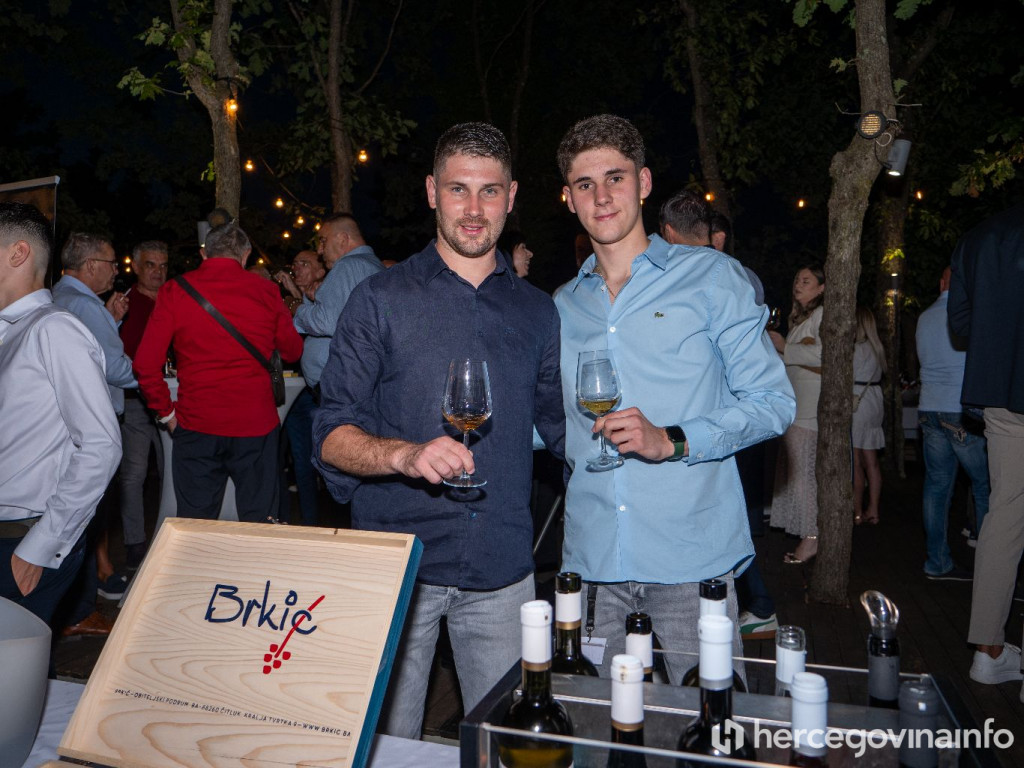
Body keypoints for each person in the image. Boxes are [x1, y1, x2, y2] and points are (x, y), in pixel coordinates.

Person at [313, 122, 564, 738]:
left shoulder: (538, 312)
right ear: (432, 192)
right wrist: (403, 455)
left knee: (506, 745)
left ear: (511, 197)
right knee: (388, 746)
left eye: (489, 191)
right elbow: (330, 433)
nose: (473, 209)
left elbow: (561, 429)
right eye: (458, 189)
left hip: (502, 567)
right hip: (399, 566)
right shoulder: (378, 299)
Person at [554, 114, 794, 681]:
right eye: (585, 184)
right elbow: (550, 423)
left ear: (643, 183)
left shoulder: (711, 277)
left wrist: (673, 439)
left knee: (710, 720)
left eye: (615, 178)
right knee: (597, 723)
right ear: (569, 199)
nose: (601, 196)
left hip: (692, 559)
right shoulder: (562, 305)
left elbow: (773, 402)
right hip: (594, 563)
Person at [659, 190, 778, 639]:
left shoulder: (712, 278)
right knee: (728, 513)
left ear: (667, 233)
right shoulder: (743, 276)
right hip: (731, 423)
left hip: (716, 425)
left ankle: (752, 604)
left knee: (724, 516)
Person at [0, 202, 121, 624]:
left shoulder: (54, 329)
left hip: (21, 538)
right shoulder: (11, 331)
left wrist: (40, 547)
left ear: (18, 253)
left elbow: (101, 445)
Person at [133, 221, 303, 523]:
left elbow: (145, 364)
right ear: (246, 255)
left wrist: (167, 415)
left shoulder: (175, 290)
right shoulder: (266, 291)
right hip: (255, 426)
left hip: (196, 425)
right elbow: (292, 351)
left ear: (204, 253)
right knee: (259, 523)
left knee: (196, 525)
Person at [948, 203, 1024, 691]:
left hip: (1001, 391)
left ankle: (988, 651)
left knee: (1006, 513)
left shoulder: (978, 238)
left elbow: (960, 324)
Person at [52, 232, 137, 614]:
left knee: (71, 508)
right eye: (111, 263)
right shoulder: (86, 305)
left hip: (64, 423)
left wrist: (111, 323)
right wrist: (154, 375)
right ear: (90, 266)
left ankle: (75, 603)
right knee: (87, 512)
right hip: (92, 424)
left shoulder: (58, 296)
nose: (116, 270)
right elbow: (114, 369)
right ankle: (81, 608)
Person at [915, 267, 985, 581]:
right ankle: (992, 565)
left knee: (937, 486)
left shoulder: (924, 317)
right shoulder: (969, 317)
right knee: (985, 485)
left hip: (929, 409)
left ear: (941, 283)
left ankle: (937, 561)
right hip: (959, 410)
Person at [285, 213, 383, 399]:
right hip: (359, 382)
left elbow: (326, 322)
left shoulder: (347, 265)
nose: (319, 250)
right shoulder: (373, 266)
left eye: (323, 241)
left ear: (343, 239)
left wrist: (295, 307)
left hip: (340, 386)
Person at [117, 241, 170, 568]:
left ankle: (171, 539)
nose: (157, 272)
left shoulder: (174, 299)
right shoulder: (124, 304)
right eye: (151, 265)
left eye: (163, 265)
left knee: (171, 472)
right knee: (134, 474)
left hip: (171, 397)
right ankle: (135, 544)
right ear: (136, 267)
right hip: (135, 399)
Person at [768, 264, 825, 564]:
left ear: (822, 288)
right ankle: (806, 531)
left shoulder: (823, 314)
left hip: (810, 407)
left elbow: (825, 355)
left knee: (803, 474)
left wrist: (785, 346)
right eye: (796, 280)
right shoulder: (803, 319)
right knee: (796, 472)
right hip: (797, 403)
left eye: (806, 281)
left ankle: (813, 536)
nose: (798, 285)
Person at [273, 251, 327, 525]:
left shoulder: (325, 294)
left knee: (313, 460)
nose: (297, 268)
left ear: (320, 270)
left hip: (315, 392)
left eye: (304, 263)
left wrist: (295, 294)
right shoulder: (286, 299)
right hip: (291, 390)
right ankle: (286, 521)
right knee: (289, 458)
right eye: (295, 263)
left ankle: (313, 523)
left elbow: (311, 324)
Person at [851, 306, 886, 525]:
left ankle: (856, 510)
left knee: (855, 460)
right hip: (874, 399)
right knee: (871, 460)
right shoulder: (877, 347)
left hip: (858, 401)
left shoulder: (856, 349)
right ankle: (873, 509)